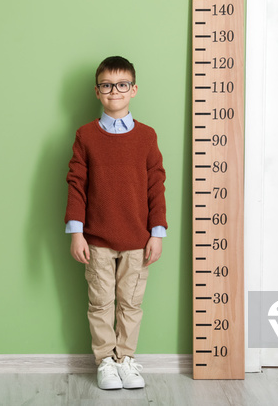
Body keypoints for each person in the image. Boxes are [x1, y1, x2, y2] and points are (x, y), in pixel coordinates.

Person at [64, 56, 167, 390]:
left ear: (133, 89)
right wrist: (76, 232)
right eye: (107, 85)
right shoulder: (86, 136)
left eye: (122, 85)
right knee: (100, 303)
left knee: (131, 303)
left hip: (138, 239)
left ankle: (125, 359)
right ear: (98, 91)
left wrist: (158, 232)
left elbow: (156, 185)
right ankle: (105, 361)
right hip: (97, 240)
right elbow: (76, 184)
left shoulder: (147, 137)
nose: (115, 91)